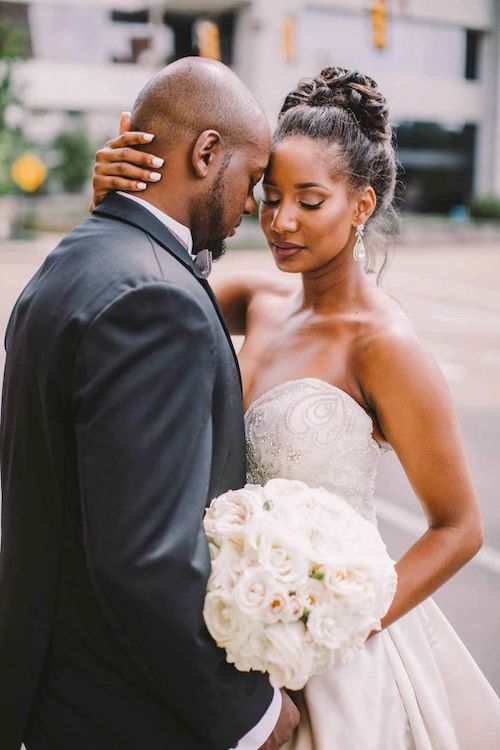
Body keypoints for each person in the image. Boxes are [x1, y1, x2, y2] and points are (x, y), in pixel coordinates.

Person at [93, 65, 500, 749]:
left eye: (309, 201)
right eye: (271, 195)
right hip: (232, 639)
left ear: (361, 205)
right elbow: (139, 295)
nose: (279, 221)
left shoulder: (384, 345)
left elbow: (458, 529)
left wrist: (333, 625)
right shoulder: (257, 299)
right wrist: (116, 199)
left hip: (336, 659)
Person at [0, 57, 300, 750]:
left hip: (48, 691)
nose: (253, 206)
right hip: (119, 712)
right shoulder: (155, 302)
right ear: (205, 153)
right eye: (252, 181)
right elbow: (145, 560)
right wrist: (249, 714)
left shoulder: (74, 259)